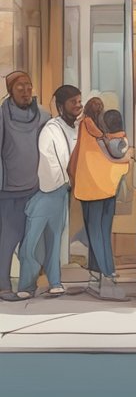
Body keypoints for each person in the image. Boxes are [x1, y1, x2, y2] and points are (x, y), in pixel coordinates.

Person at [10, 85, 80, 300]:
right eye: (73, 102)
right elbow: (51, 161)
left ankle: (55, 282)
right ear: (61, 106)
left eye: (79, 101)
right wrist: (66, 180)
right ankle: (26, 285)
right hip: (46, 192)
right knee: (32, 241)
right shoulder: (51, 128)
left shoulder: (78, 129)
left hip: (62, 192)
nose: (78, 105)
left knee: (54, 239)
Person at [68, 97, 131, 300]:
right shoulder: (114, 138)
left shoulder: (87, 127)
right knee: (103, 232)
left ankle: (105, 276)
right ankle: (98, 275)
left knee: (94, 233)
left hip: (91, 189)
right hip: (109, 189)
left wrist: (71, 175)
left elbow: (77, 155)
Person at [0, 71, 47, 299]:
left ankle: (28, 285)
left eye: (29, 86)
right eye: (20, 87)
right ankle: (3, 285)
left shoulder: (43, 116)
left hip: (37, 189)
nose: (26, 91)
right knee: (7, 239)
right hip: (9, 190)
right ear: (10, 90)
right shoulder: (1, 116)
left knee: (33, 239)